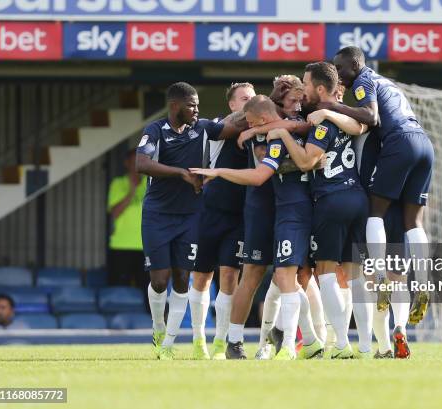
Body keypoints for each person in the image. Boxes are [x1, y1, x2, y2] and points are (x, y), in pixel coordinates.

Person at [192, 95, 323, 360]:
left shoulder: (300, 126)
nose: (295, 104)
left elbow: (263, 173)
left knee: (296, 278)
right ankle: (237, 342)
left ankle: (303, 341)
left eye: (298, 99)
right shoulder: (268, 131)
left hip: (292, 211)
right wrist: (255, 130)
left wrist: (218, 172)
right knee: (255, 274)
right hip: (262, 211)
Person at [267, 62, 373, 359]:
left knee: (325, 272)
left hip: (331, 199)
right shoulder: (346, 116)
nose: (304, 91)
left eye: (307, 83)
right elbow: (363, 125)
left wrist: (284, 135)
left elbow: (305, 162)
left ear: (322, 89)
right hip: (358, 198)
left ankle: (340, 343)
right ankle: (365, 344)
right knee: (354, 276)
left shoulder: (323, 122)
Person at [135, 82, 245, 360]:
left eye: (197, 104)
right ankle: (158, 326)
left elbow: (237, 128)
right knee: (160, 281)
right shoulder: (155, 131)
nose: (196, 109)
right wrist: (181, 173)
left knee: (183, 278)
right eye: (191, 104)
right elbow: (142, 164)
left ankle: (168, 345)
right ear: (175, 106)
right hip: (157, 214)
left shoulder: (204, 127)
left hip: (191, 215)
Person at [330, 46, 435, 325]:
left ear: (355, 64)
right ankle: (422, 282)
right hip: (423, 143)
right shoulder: (388, 82)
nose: (337, 74)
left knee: (375, 212)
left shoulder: (364, 81)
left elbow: (371, 116)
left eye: (340, 68)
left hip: (399, 142)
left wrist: (332, 106)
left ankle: (379, 277)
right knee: (414, 221)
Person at [188, 83, 254, 360]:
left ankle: (220, 342)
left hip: (239, 215)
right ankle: (197, 339)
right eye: (244, 100)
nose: (249, 104)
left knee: (229, 276)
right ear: (231, 104)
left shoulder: (257, 131)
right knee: (202, 276)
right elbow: (232, 124)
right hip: (209, 211)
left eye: (253, 99)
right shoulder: (217, 126)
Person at [107, 149, 147, 292]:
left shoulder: (151, 184)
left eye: (140, 162)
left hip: (147, 246)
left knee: (147, 292)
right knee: (119, 290)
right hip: (121, 245)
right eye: (134, 162)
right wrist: (132, 191)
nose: (137, 167)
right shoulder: (118, 184)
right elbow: (115, 212)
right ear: (126, 164)